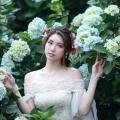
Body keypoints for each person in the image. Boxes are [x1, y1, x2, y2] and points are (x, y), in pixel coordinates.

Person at [1, 26, 105, 120]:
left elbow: (83, 110)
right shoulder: (31, 77)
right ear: (45, 43)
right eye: (50, 43)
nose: (52, 49)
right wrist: (14, 88)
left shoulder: (74, 74)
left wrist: (94, 77)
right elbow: (31, 114)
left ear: (66, 50)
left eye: (60, 45)